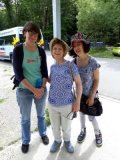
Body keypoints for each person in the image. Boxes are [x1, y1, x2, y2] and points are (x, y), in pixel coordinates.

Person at [12, 21, 49, 153]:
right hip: (24, 91)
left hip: (41, 89)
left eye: (35, 34)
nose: (33, 36)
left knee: (41, 115)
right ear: (24, 33)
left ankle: (43, 133)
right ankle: (26, 141)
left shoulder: (41, 51)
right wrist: (34, 91)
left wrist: (42, 88)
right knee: (25, 118)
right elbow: (18, 75)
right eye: (30, 33)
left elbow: (45, 72)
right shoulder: (18, 50)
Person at [48, 38, 82, 153]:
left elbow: (78, 83)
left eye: (59, 49)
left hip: (67, 103)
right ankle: (57, 141)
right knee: (54, 127)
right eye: (54, 49)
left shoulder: (70, 65)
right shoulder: (52, 67)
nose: (57, 51)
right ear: (52, 51)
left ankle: (67, 141)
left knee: (66, 127)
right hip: (52, 103)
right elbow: (52, 81)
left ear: (64, 51)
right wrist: (42, 78)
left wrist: (77, 102)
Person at [69, 32, 102, 147]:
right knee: (82, 115)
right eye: (74, 45)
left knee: (91, 117)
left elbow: (97, 80)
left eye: (79, 44)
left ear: (84, 45)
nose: (77, 47)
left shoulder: (92, 62)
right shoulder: (73, 63)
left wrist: (92, 96)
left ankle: (98, 133)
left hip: (90, 95)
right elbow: (70, 80)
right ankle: (83, 131)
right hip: (79, 96)